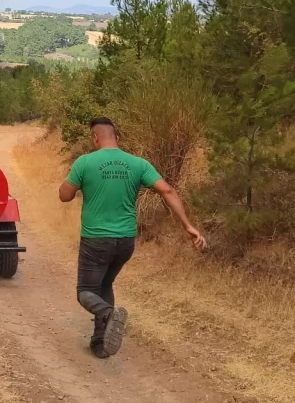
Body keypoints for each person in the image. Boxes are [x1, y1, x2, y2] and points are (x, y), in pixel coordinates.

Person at [59, 117, 206, 358]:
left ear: (95, 138)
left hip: (96, 240)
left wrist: (73, 183)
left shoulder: (85, 162)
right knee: (104, 284)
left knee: (85, 291)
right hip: (126, 240)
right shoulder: (138, 164)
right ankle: (100, 342)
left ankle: (108, 314)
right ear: (117, 138)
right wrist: (188, 226)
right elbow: (167, 190)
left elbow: (65, 196)